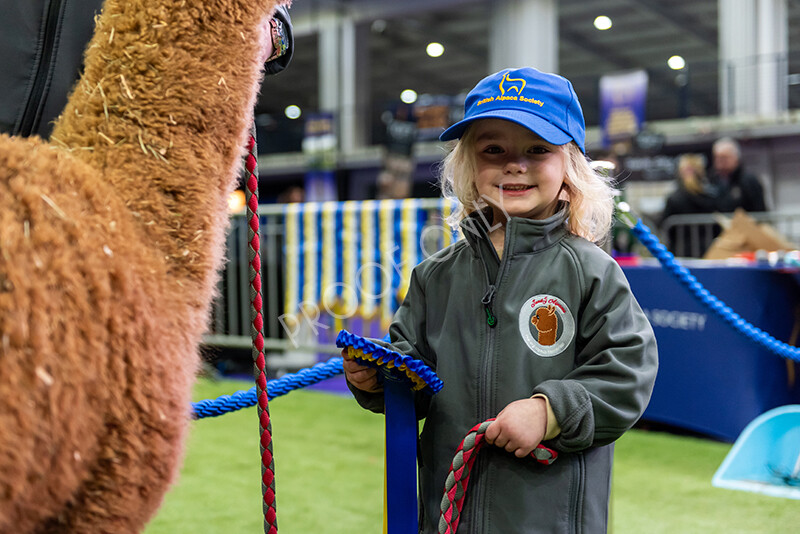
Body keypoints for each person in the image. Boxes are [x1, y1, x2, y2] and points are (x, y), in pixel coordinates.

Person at [343, 67, 658, 533]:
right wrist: (377, 379)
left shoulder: (590, 270)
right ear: (467, 164)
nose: (515, 164)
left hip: (547, 517)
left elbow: (628, 370)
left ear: (569, 165)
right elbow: (414, 375)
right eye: (494, 150)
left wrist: (550, 412)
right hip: (449, 512)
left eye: (537, 149)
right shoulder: (434, 276)